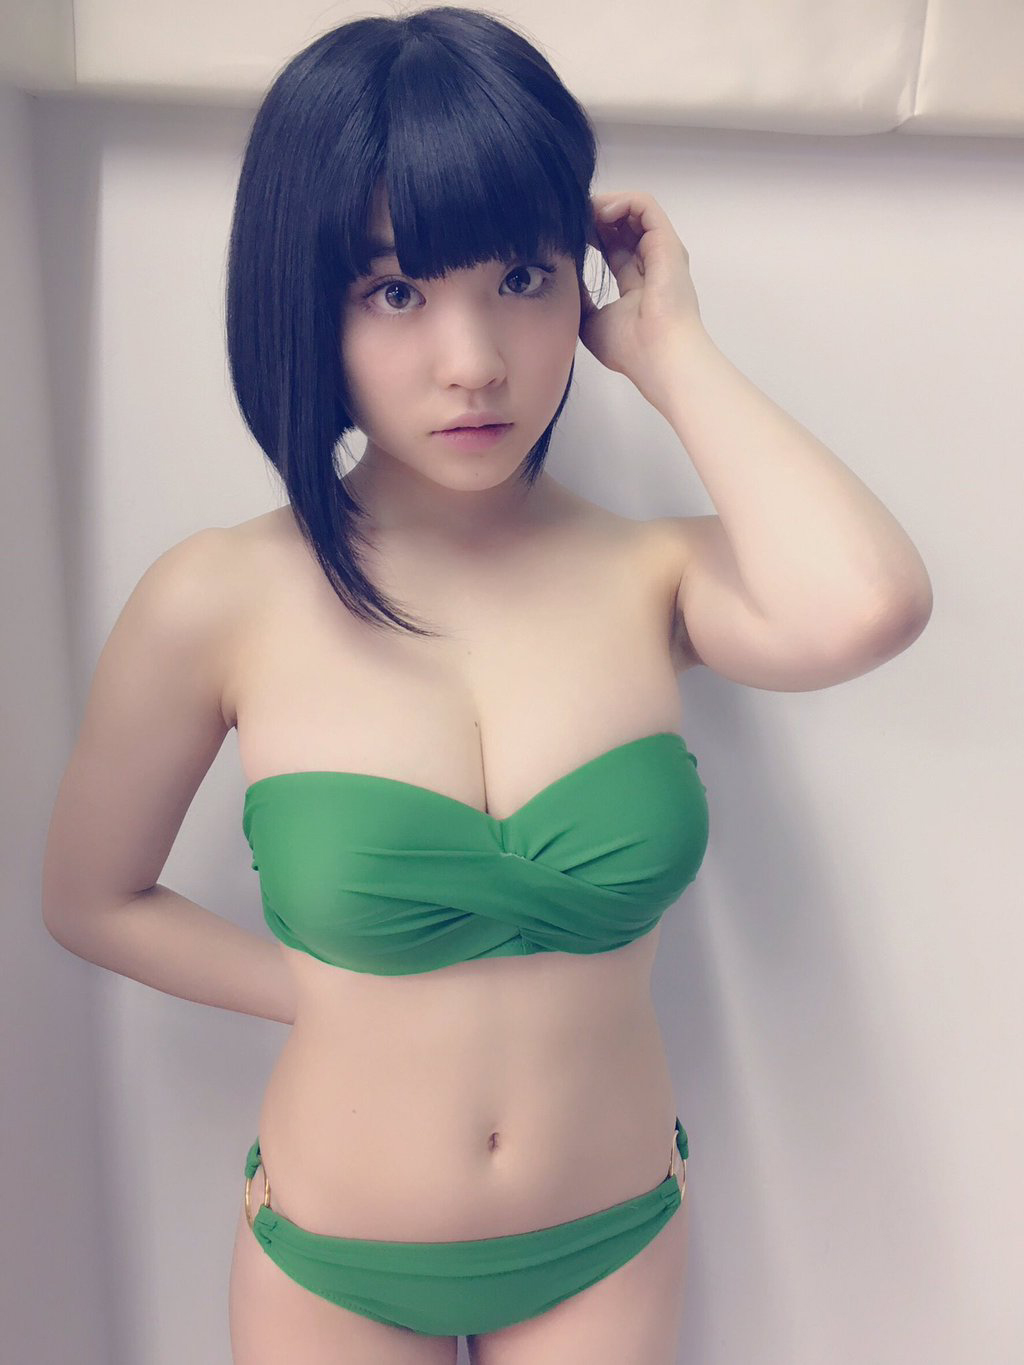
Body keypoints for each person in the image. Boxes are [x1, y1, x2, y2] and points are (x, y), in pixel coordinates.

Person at [41, 6, 932, 1364]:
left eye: (520, 278)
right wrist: (322, 991)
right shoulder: (218, 597)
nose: (474, 361)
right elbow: (91, 899)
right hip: (334, 1258)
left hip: (607, 1239)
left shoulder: (651, 576)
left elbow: (871, 604)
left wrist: (672, 350)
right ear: (309, 302)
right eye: (396, 292)